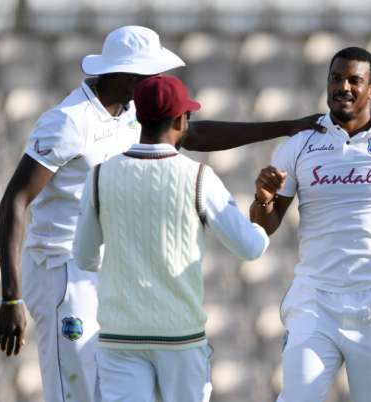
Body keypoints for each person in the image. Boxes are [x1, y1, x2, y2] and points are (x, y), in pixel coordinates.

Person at [0, 25, 323, 402]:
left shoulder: (132, 112)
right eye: (153, 74)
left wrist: (283, 127)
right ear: (131, 76)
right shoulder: (68, 122)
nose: (159, 81)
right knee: (75, 388)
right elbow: (15, 200)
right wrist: (11, 298)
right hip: (62, 270)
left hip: (108, 271)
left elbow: (192, 135)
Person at [250, 46, 371, 402]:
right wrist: (263, 198)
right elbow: (265, 226)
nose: (343, 87)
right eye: (336, 78)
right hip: (314, 300)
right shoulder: (302, 143)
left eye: (354, 80)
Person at [72, 74, 269, 402]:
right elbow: (250, 248)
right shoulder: (197, 175)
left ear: (138, 117)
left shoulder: (100, 175)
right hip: (180, 336)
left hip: (120, 335)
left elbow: (85, 258)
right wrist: (264, 216)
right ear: (181, 120)